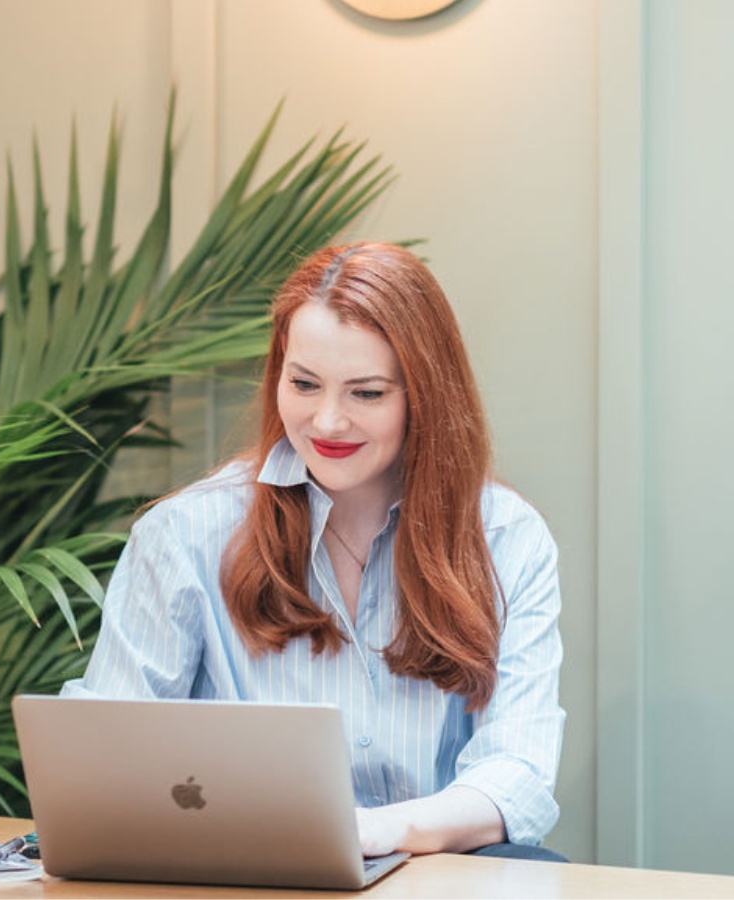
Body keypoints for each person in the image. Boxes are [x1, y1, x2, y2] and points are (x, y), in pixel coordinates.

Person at [60, 242, 565, 861]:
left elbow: (517, 777)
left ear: (424, 396)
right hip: (242, 868)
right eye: (304, 384)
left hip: (434, 869)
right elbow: (105, 752)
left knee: (530, 871)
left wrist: (378, 832)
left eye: (367, 393)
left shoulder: (506, 538)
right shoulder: (183, 534)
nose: (326, 423)